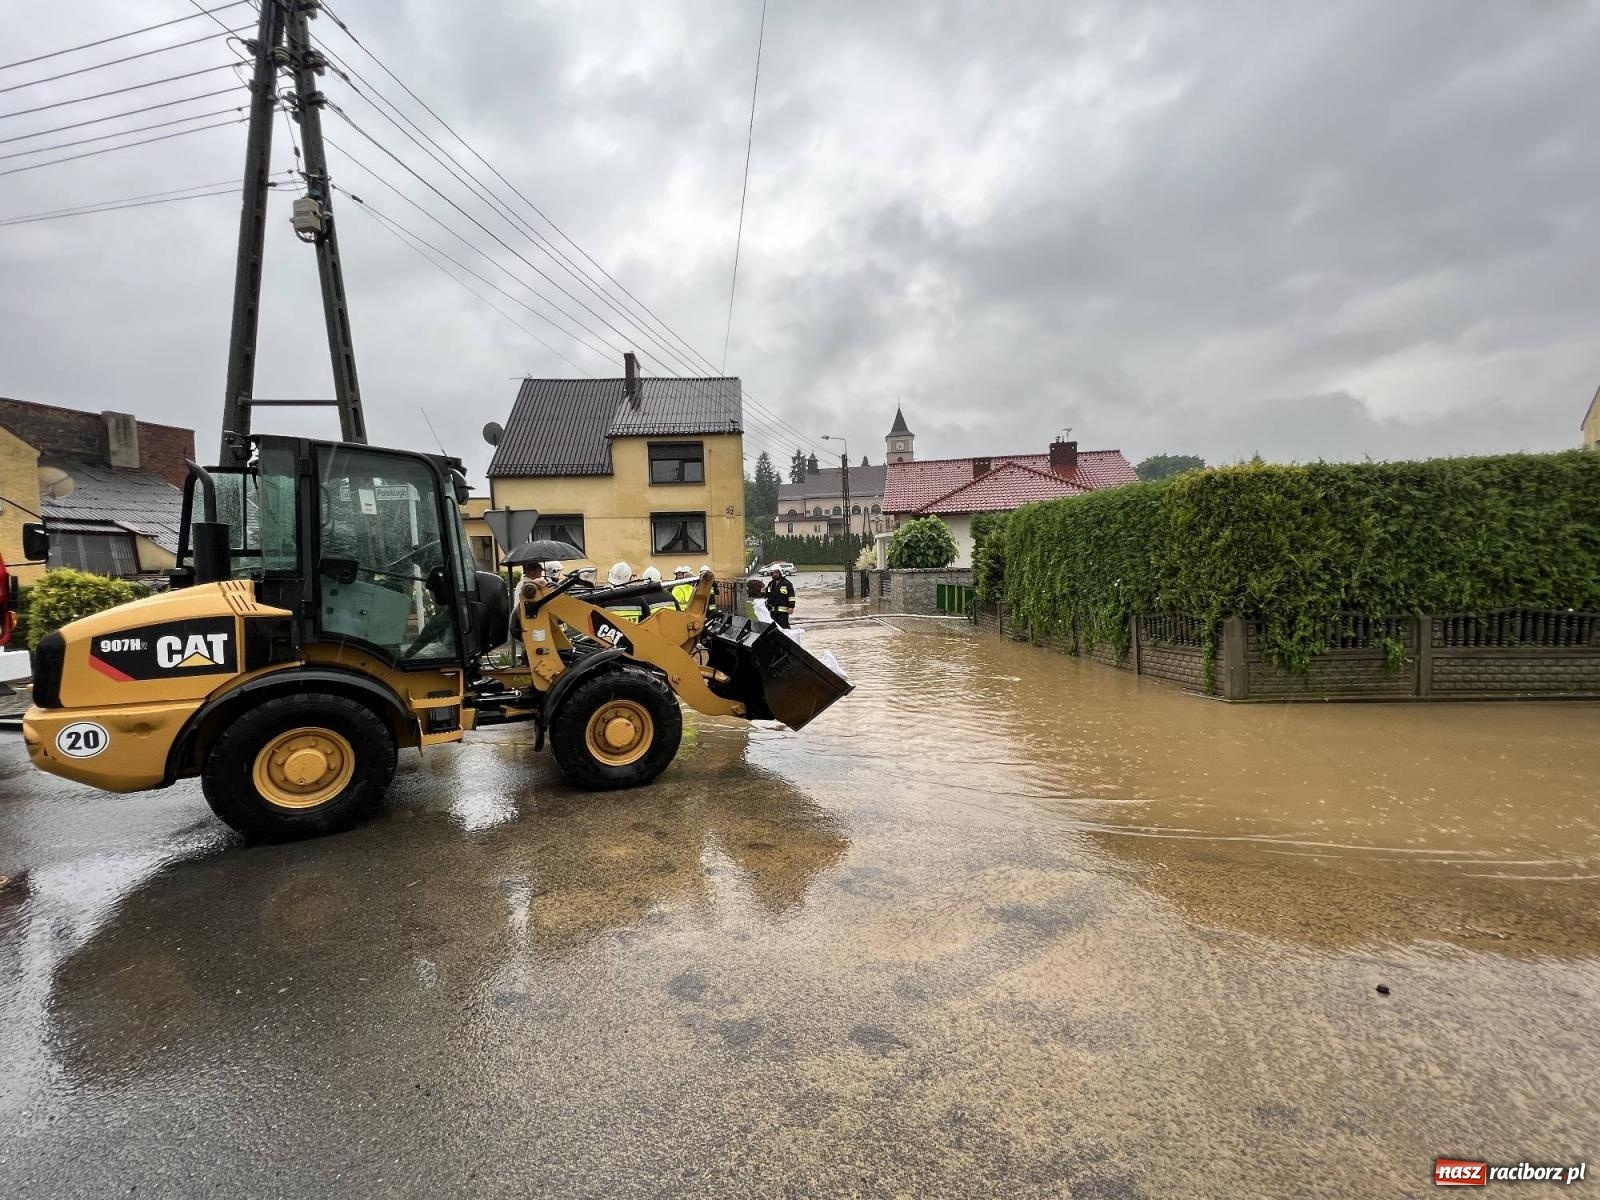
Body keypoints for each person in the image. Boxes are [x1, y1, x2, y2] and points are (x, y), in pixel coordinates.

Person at [765, 565, 796, 629]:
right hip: (773, 611)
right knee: (774, 629)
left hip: (783, 612)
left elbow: (791, 596)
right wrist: (763, 592)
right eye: (773, 573)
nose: (775, 574)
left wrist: (791, 607)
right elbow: (768, 595)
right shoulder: (770, 584)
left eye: (776, 573)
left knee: (784, 628)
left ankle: (788, 638)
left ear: (780, 573)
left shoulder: (787, 584)